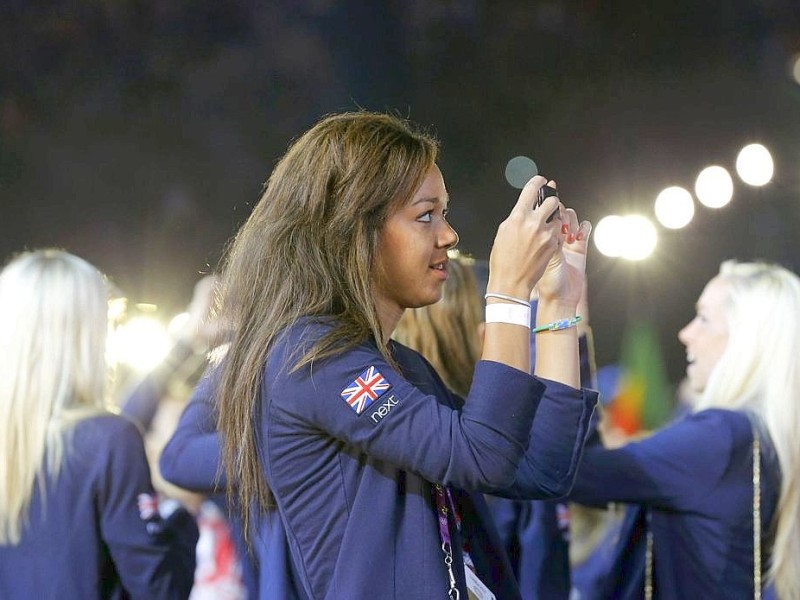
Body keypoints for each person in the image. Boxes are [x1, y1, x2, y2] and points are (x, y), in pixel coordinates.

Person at [214, 110, 596, 599]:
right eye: (425, 215)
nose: (449, 236)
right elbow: (485, 457)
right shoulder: (310, 356)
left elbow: (543, 466)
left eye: (445, 213)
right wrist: (506, 291)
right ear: (357, 230)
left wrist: (559, 308)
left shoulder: (400, 364)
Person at [569, 260, 800, 599]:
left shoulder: (720, 437)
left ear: (748, 341)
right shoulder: (759, 434)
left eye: (704, 319)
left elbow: (576, 471)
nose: (686, 333)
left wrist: (565, 329)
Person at [0, 249, 198, 599]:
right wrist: (180, 515)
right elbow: (160, 589)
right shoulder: (107, 440)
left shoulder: (100, 439)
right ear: (83, 337)